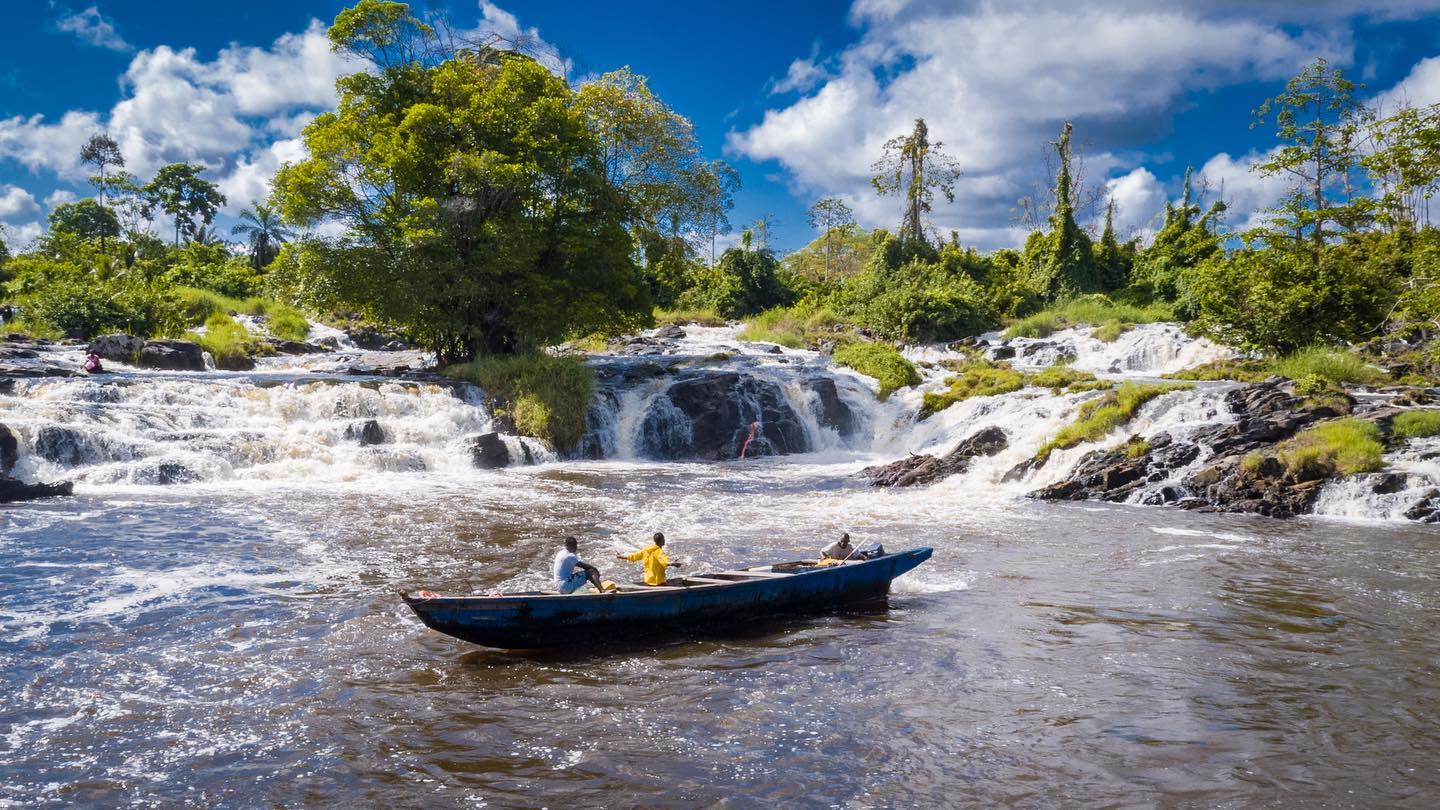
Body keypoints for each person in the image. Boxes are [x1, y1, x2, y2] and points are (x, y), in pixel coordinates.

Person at [617, 531, 682, 586]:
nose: (664, 540)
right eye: (663, 539)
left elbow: (634, 556)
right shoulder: (659, 551)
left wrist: (621, 556)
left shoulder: (646, 550)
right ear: (662, 540)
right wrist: (673, 564)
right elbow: (664, 562)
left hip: (648, 581)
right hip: (658, 582)